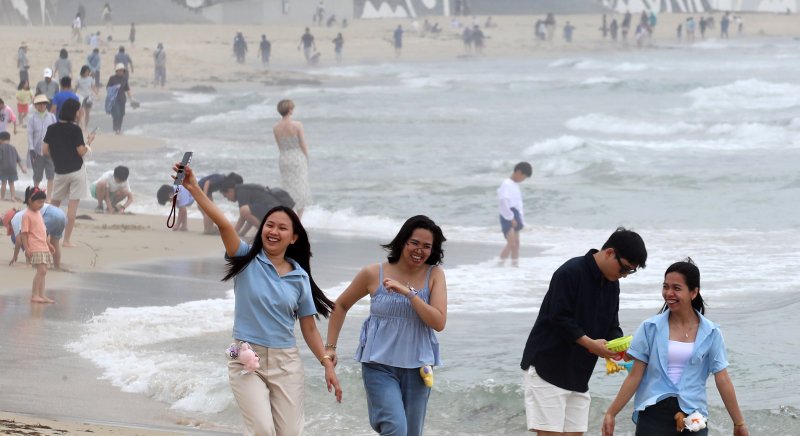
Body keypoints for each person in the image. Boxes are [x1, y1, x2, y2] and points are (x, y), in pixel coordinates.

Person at [176, 163, 342, 435]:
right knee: (263, 430)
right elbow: (223, 223)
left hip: (286, 363)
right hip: (245, 355)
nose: (273, 231)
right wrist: (193, 188)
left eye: (282, 228)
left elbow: (309, 327)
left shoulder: (299, 277)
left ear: (294, 237)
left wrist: (326, 362)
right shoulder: (245, 259)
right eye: (269, 225)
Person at [325, 215, 447, 436]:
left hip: (418, 368)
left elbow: (438, 322)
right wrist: (330, 347)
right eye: (415, 243)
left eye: (427, 246)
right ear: (402, 241)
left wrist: (409, 294)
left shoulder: (434, 275)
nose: (420, 250)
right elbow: (341, 305)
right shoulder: (373, 273)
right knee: (395, 429)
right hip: (378, 365)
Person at [520, 227, 648, 435]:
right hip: (547, 367)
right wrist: (590, 344)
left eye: (630, 272)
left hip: (578, 374)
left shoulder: (612, 284)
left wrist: (619, 346)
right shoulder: (570, 272)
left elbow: (611, 324)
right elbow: (559, 318)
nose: (624, 276)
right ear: (609, 253)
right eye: (624, 268)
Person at [602, 259, 749, 436]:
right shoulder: (650, 327)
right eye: (665, 287)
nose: (668, 293)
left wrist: (739, 422)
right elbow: (635, 375)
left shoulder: (711, 332)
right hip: (654, 412)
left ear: (694, 292)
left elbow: (723, 379)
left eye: (676, 288)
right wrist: (611, 413)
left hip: (694, 414)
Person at [43, 99, 95, 248]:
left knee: (53, 205)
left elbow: (45, 150)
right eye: (79, 111)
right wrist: (89, 142)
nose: (80, 113)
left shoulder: (52, 128)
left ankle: (44, 235)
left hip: (60, 171)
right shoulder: (75, 129)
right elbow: (81, 152)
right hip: (76, 171)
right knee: (72, 207)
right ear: (74, 112)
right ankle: (66, 241)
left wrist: (57, 157)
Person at [273, 100, 311, 218]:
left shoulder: (276, 127)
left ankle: (289, 215)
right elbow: (302, 144)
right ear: (290, 110)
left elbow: (280, 146)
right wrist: (306, 157)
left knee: (287, 187)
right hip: (297, 157)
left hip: (284, 158)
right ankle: (298, 219)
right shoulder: (297, 125)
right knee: (300, 187)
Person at [19, 187, 56, 304]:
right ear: (30, 200)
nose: (41, 205)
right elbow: (24, 234)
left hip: (43, 245)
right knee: (41, 270)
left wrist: (48, 243)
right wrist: (26, 248)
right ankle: (35, 294)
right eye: (39, 202)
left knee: (44, 271)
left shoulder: (38, 213)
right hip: (35, 247)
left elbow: (42, 230)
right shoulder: (27, 215)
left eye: (43, 202)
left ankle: (42, 295)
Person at [219, 181, 295, 236]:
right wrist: (242, 234)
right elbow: (249, 218)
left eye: (226, 196)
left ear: (230, 191)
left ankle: (264, 233)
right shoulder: (244, 189)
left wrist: (233, 233)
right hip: (277, 211)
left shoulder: (241, 191)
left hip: (273, 210)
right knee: (245, 211)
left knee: (243, 210)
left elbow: (243, 216)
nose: (228, 199)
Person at [8, 201, 66, 271]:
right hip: (61, 214)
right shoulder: (26, 211)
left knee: (31, 238)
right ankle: (57, 266)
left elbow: (18, 241)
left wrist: (15, 256)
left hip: (50, 215)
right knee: (55, 242)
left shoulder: (14, 219)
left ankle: (31, 263)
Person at [497, 162, 531, 267]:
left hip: (515, 215)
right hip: (507, 214)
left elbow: (518, 204)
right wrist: (510, 217)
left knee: (516, 244)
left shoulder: (515, 185)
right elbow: (504, 202)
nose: (523, 180)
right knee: (511, 243)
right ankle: (499, 265)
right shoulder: (506, 184)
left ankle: (515, 266)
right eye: (524, 177)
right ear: (518, 172)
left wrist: (521, 219)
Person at [27, 94, 57, 199]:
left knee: (51, 174)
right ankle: (35, 193)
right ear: (35, 105)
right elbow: (30, 134)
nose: (42, 105)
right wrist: (31, 148)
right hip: (37, 151)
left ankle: (48, 196)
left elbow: (55, 132)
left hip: (50, 151)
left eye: (44, 103)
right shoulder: (32, 119)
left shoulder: (52, 117)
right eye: (39, 104)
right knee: (37, 175)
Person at [106, 63, 133, 135]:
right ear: (117, 71)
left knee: (121, 114)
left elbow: (127, 89)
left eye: (122, 70)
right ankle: (115, 129)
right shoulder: (112, 78)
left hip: (122, 99)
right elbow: (108, 88)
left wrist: (131, 98)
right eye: (120, 70)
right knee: (116, 114)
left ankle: (119, 129)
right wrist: (115, 87)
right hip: (114, 100)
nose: (121, 72)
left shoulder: (124, 79)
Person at [0, 132, 26, 201]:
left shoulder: (1, 148)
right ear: (9, 139)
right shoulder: (13, 148)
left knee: (4, 183)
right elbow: (18, 159)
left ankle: (2, 197)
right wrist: (22, 168)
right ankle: (13, 197)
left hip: (3, 168)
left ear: (0, 140)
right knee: (11, 184)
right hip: (13, 169)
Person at [75, 65, 98, 131]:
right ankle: (82, 127)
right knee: (82, 112)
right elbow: (76, 88)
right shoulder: (78, 79)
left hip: (88, 97)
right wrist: (73, 94)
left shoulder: (90, 79)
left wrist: (97, 93)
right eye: (86, 71)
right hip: (81, 97)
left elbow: (93, 87)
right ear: (83, 71)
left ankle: (86, 127)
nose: (87, 73)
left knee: (88, 113)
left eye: (88, 72)